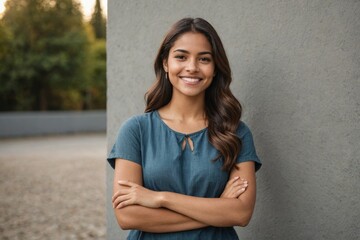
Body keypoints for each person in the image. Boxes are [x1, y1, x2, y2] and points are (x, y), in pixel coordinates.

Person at [108, 17, 261, 240]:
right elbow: (128, 217)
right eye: (181, 56)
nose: (192, 67)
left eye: (204, 59)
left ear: (216, 67)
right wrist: (218, 209)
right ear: (165, 63)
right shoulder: (135, 131)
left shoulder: (236, 132)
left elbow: (241, 213)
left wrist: (161, 199)